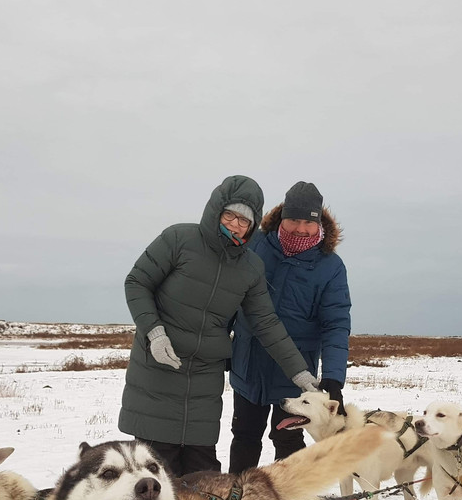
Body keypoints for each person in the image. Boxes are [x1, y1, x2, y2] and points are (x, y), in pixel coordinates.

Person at [119, 175, 320, 477]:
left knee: (204, 476)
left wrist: (300, 372)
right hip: (158, 368)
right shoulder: (178, 240)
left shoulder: (251, 267)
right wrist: (155, 333)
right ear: (216, 210)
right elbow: (137, 282)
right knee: (159, 473)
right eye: (230, 215)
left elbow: (266, 323)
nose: (236, 225)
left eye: (245, 220)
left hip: (204, 377)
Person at [228, 181, 351, 473]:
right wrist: (221, 340)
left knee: (286, 437)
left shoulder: (330, 266)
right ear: (282, 217)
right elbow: (229, 295)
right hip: (249, 361)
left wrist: (334, 378)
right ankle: (236, 499)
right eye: (294, 219)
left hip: (294, 369)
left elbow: (336, 323)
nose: (300, 228)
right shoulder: (254, 245)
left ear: (318, 222)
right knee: (245, 435)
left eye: (308, 221)